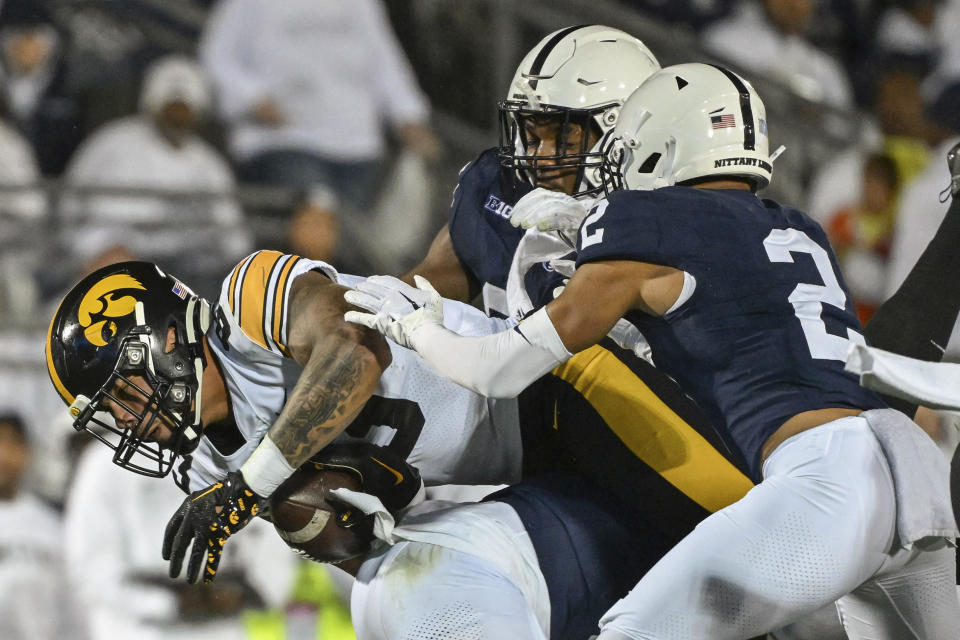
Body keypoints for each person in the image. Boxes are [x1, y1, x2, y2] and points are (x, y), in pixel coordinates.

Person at [346, 63, 960, 638]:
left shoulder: (652, 218)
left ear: (661, 144)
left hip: (824, 485)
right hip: (908, 464)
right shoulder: (798, 228)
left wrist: (419, 328)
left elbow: (500, 369)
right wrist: (579, 233)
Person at [59, 55, 251, 297]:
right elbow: (75, 210)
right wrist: (98, 249)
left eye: (185, 108)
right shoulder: (113, 143)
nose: (178, 115)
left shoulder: (210, 165)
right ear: (151, 102)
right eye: (171, 107)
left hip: (188, 272)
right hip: (116, 261)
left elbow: (234, 240)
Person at [0, 412, 78, 640]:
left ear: (27, 451)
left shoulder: (52, 526)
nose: (3, 455)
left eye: (12, 443)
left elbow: (72, 604)